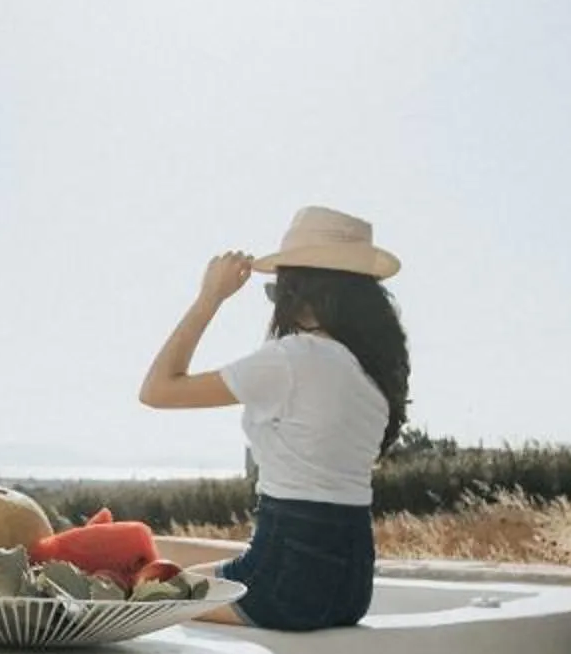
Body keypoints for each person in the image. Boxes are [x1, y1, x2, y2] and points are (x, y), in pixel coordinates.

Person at [137, 205, 410, 630]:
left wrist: (210, 297)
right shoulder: (371, 373)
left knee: (141, 588)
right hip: (350, 586)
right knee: (153, 548)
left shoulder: (292, 359)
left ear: (300, 296)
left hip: (285, 587)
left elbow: (157, 389)